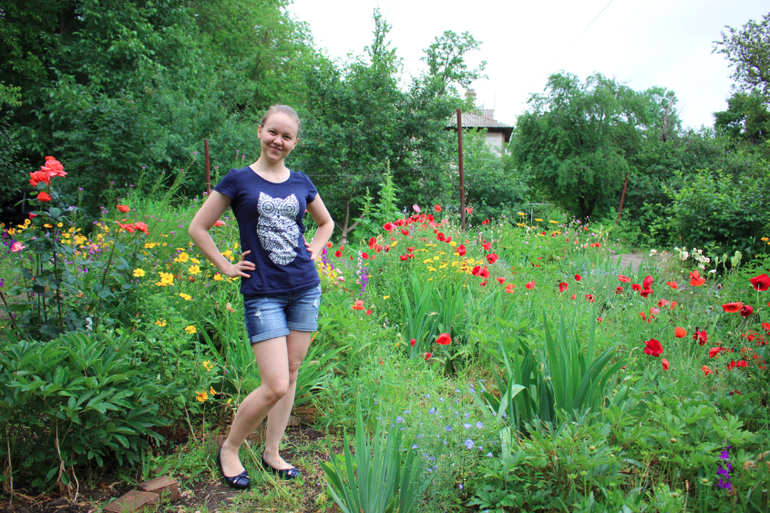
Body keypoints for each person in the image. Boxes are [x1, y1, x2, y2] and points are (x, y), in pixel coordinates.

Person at [188, 105, 334, 488]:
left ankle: (272, 452)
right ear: (259, 131)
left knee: (291, 372)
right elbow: (198, 227)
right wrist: (225, 265)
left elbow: (326, 222)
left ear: (295, 142)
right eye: (273, 132)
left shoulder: (301, 182)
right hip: (263, 293)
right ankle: (230, 448)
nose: (278, 141)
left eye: (286, 136)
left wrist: (315, 250)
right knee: (276, 384)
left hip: (305, 288)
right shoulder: (238, 180)